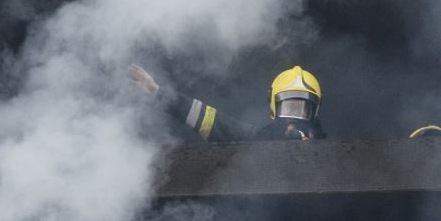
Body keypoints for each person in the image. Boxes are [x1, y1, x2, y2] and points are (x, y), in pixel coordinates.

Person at [128, 64, 326, 142]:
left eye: (302, 108)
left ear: (314, 110)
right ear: (275, 105)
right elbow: (214, 123)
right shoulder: (257, 141)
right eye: (290, 106)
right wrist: (159, 94)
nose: (293, 115)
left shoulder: (332, 156)